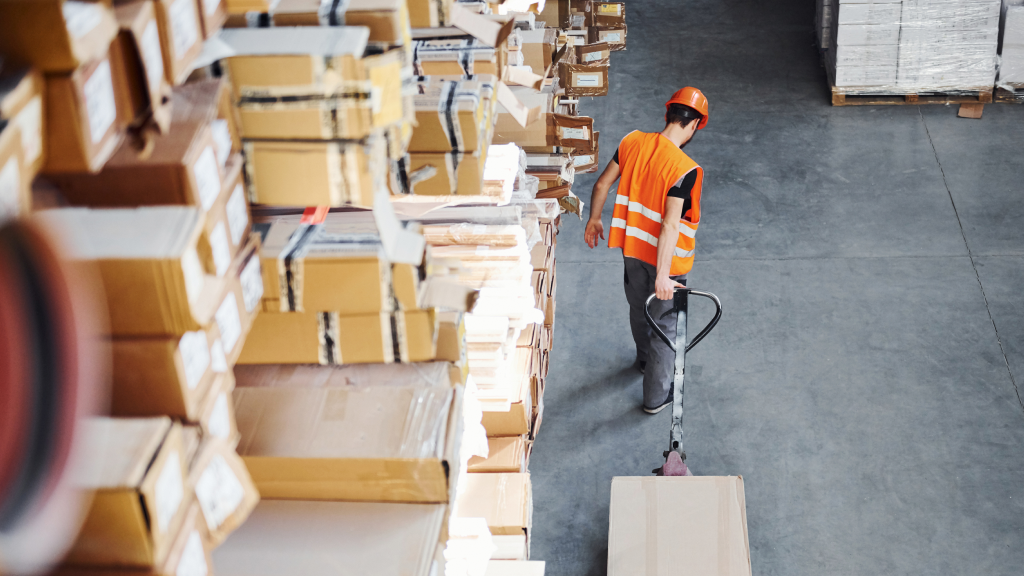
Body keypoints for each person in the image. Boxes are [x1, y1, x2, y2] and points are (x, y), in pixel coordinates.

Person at [583, 87, 708, 414]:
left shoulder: (632, 141)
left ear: (669, 114)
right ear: (694, 124)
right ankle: (655, 397)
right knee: (665, 326)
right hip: (666, 262)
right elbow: (670, 224)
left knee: (639, 307)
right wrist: (665, 276)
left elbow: (601, 184)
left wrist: (595, 219)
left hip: (631, 251)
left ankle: (642, 361)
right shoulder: (684, 169)